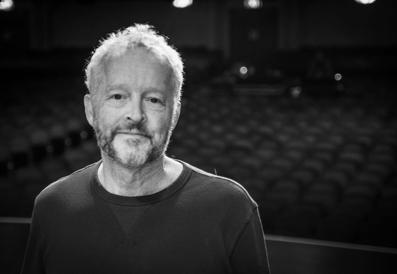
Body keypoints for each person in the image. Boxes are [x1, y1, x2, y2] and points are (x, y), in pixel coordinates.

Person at [21, 24, 270, 274]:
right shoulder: (51, 207)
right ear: (90, 110)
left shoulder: (231, 208)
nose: (135, 115)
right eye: (118, 96)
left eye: (153, 100)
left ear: (174, 115)